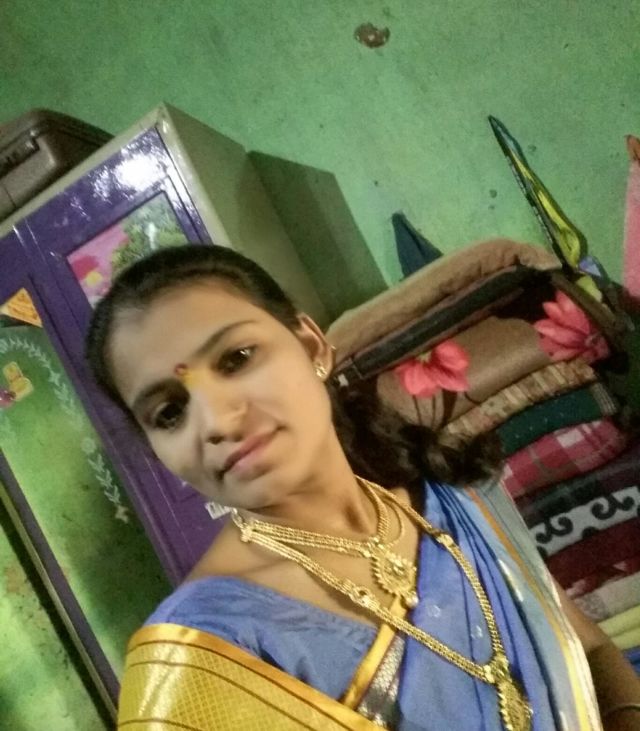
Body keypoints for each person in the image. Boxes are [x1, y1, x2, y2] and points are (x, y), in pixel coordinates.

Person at [86, 244, 640, 730]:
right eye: (169, 412)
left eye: (236, 358)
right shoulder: (201, 659)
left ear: (312, 347)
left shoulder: (447, 494)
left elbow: (588, 647)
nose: (217, 421)